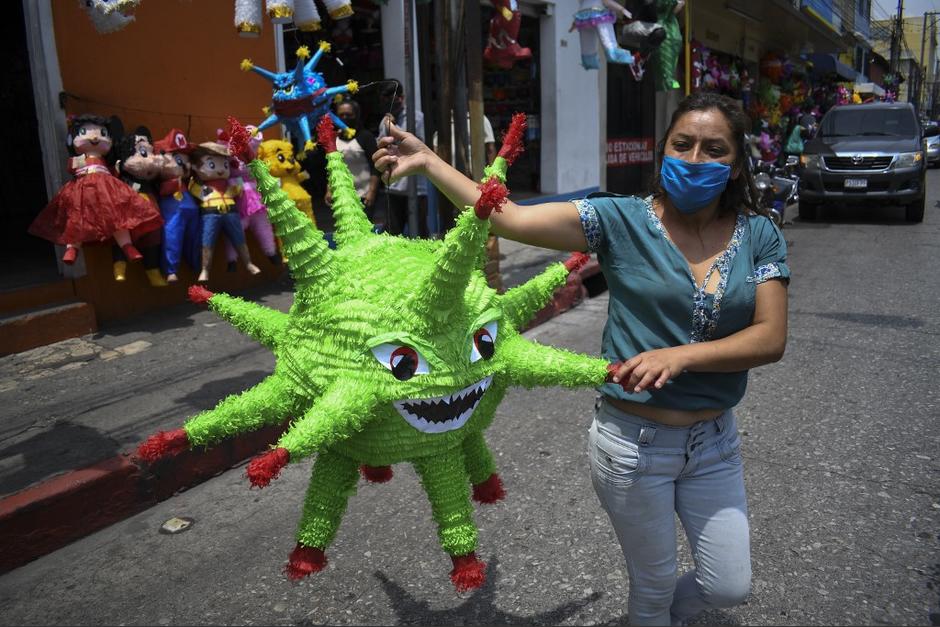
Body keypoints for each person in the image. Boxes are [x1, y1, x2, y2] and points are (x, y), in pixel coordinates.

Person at [373, 91, 789, 626]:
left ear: (735, 168)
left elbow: (770, 337)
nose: (694, 160)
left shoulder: (759, 234)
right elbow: (508, 218)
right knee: (654, 586)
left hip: (714, 445)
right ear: (662, 151)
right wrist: (430, 161)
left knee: (728, 586)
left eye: (714, 150)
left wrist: (682, 356)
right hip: (633, 447)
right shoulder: (619, 220)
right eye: (682, 145)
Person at [377, 79, 429, 237]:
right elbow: (380, 145)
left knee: (419, 232)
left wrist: (392, 128)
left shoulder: (416, 117)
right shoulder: (384, 121)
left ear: (402, 97)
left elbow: (416, 145)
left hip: (415, 186)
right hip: (394, 187)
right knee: (393, 231)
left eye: (394, 98)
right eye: (386, 100)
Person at [325, 98, 381, 223]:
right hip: (342, 196)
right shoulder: (334, 139)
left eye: (349, 115)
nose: (345, 117)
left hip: (364, 196)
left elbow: (376, 167)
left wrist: (372, 192)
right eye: (341, 115)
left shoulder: (365, 137)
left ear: (356, 115)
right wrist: (329, 190)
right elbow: (332, 167)